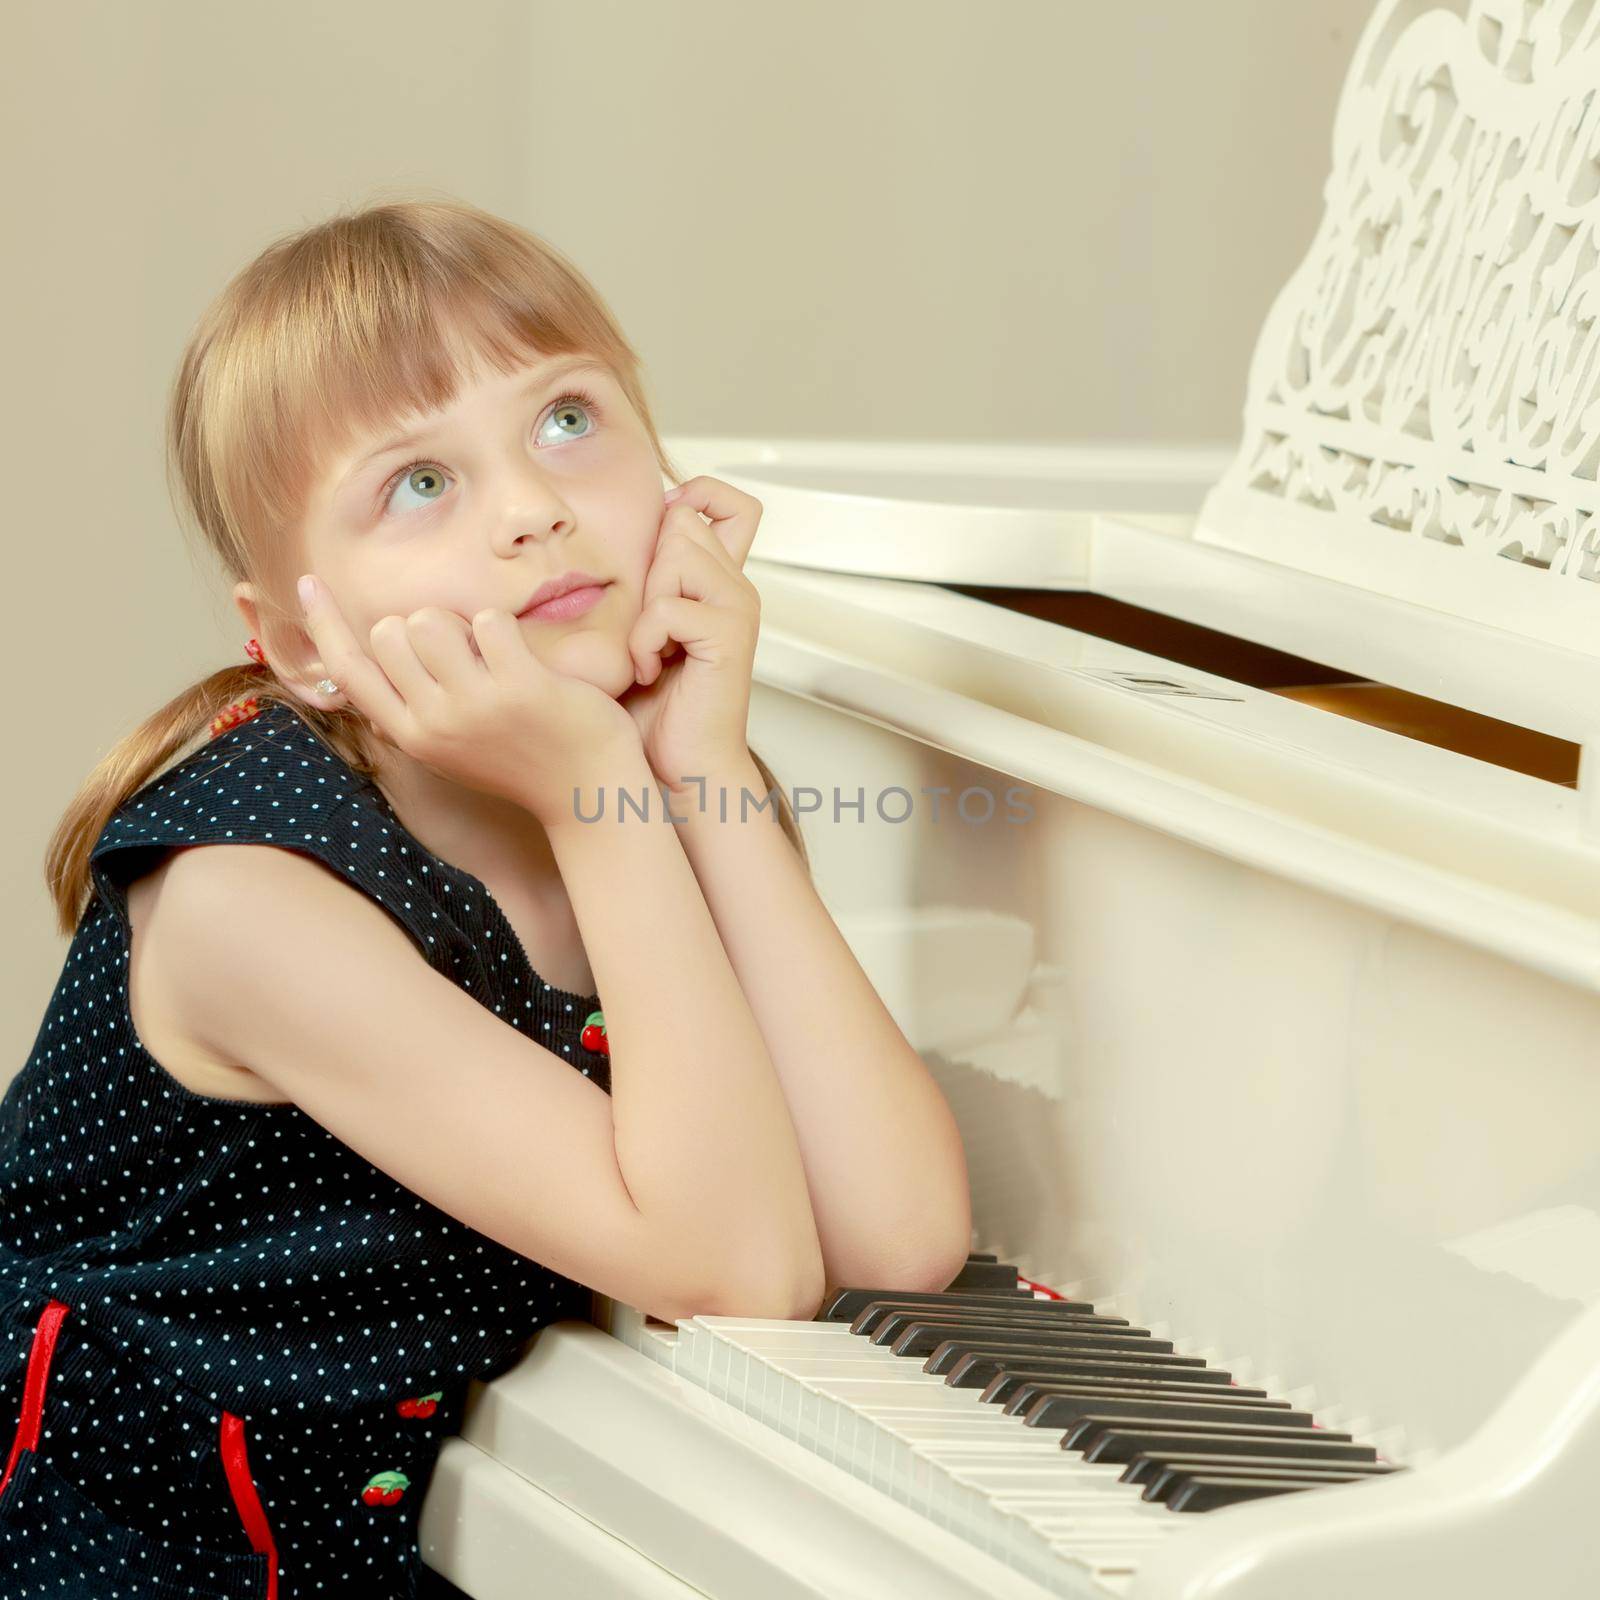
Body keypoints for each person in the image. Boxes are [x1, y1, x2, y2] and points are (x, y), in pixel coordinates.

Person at [0, 195, 972, 1598]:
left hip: (354, 1538)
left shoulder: (648, 779)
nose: (535, 509)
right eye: (419, 483)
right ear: (297, 642)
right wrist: (600, 799)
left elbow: (895, 1238)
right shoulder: (249, 899)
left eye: (569, 418)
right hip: (101, 1555)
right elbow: (736, 1269)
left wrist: (696, 775)